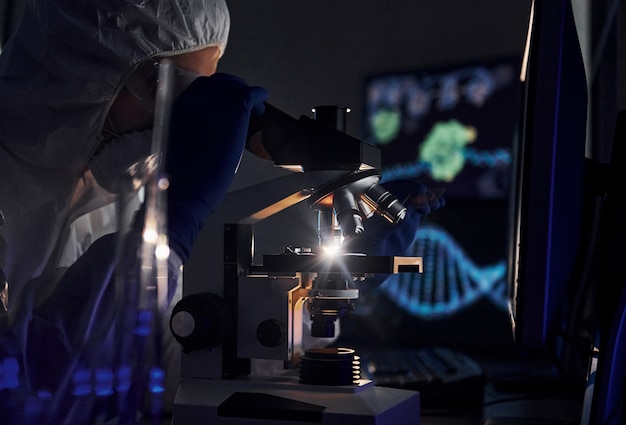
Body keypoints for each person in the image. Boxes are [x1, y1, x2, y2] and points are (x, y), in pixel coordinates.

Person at [0, 0, 269, 423]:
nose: (177, 114)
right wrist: (166, 238)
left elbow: (167, 375)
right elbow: (18, 391)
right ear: (81, 60)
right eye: (166, 86)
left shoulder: (121, 199)